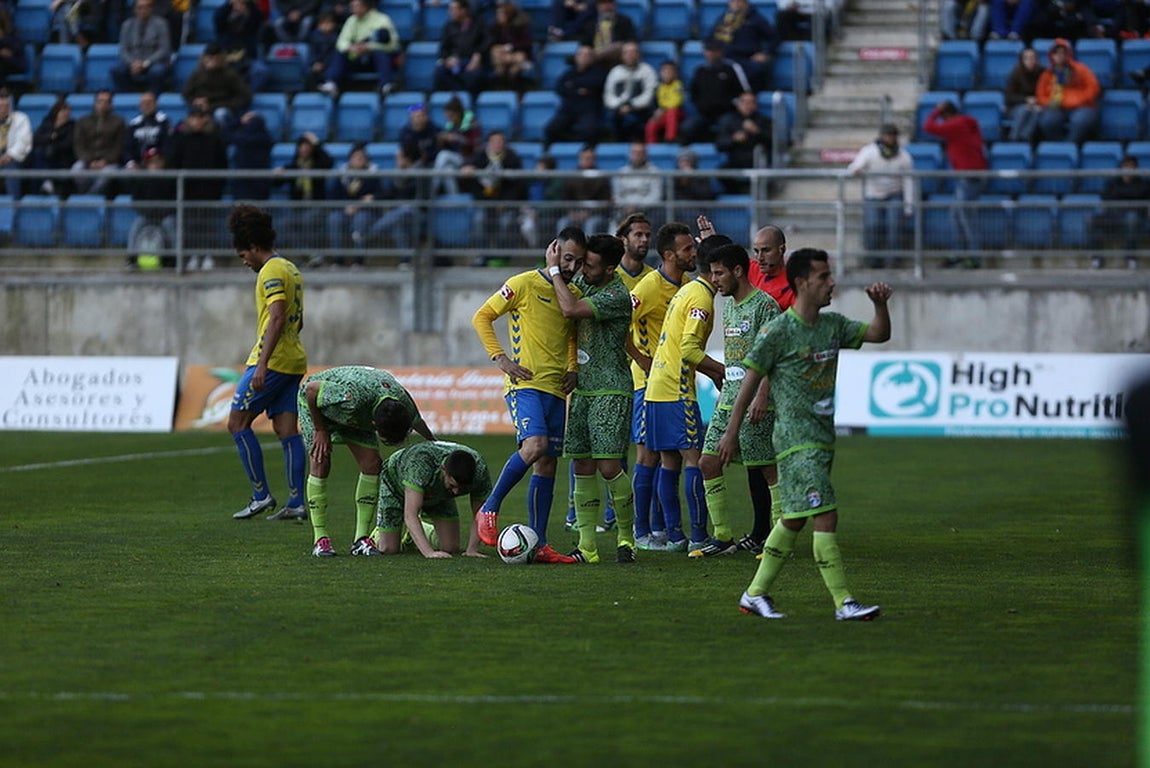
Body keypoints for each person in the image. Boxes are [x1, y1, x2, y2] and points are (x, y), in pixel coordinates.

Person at [718, 248, 891, 622]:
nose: (831, 283)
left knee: (794, 519)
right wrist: (733, 430)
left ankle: (754, 594)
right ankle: (844, 602)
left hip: (821, 438)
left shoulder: (832, 326)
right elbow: (749, 380)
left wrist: (879, 305)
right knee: (826, 515)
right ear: (801, 283)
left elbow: (879, 333)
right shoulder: (778, 331)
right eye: (823, 277)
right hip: (796, 441)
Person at [470, 227, 588, 564]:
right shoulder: (522, 284)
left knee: (547, 463)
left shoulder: (572, 292)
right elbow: (482, 316)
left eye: (578, 262)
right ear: (553, 251)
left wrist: (572, 367)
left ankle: (539, 545)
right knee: (534, 446)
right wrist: (501, 357)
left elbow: (568, 336)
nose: (572, 266)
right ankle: (489, 508)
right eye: (567, 258)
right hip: (524, 384)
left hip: (555, 388)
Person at [547, 234, 637, 563]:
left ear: (611, 268)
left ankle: (627, 539)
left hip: (611, 388)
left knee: (609, 465)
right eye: (582, 262)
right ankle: (587, 547)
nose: (582, 269)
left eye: (590, 264)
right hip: (583, 387)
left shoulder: (616, 294)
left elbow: (569, 309)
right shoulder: (588, 282)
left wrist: (554, 270)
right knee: (582, 464)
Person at [693, 241, 781, 557]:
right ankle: (723, 536)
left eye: (719, 273)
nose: (714, 280)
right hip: (728, 399)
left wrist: (763, 394)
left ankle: (778, 541)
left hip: (758, 400)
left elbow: (774, 355)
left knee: (766, 469)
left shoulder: (765, 306)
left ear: (738, 271)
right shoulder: (729, 305)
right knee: (707, 461)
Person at [644, 221, 726, 552]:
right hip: (677, 390)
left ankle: (674, 536)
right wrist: (721, 370)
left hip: (656, 388)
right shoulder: (701, 297)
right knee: (696, 462)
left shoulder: (687, 289)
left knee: (669, 463)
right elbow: (690, 350)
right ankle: (698, 536)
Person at [297, 366, 436, 557]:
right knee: (321, 462)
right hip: (319, 408)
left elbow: (416, 421)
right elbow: (311, 389)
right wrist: (320, 429)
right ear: (374, 425)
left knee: (372, 464)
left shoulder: (401, 401)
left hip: (358, 413)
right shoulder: (351, 397)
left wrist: (434, 443)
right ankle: (320, 539)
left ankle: (361, 540)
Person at [227, 205, 308, 524]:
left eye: (242, 254)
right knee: (286, 429)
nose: (244, 260)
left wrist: (261, 365)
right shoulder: (291, 267)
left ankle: (261, 495)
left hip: (272, 361)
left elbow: (276, 315)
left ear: (253, 246)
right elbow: (297, 320)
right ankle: (296, 502)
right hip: (293, 359)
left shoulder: (270, 271)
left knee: (237, 423)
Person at [628, 220, 695, 550]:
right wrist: (640, 359)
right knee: (648, 457)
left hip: (674, 383)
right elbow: (620, 322)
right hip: (647, 385)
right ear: (669, 254)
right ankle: (641, 532)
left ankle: (662, 529)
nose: (692, 253)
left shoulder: (684, 285)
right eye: (687, 249)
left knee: (670, 456)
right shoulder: (649, 287)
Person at [369, 440, 491, 558]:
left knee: (450, 547)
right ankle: (378, 533)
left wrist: (472, 549)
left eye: (462, 487)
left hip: (438, 493)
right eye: (453, 485)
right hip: (397, 485)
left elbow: (480, 513)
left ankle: (416, 533)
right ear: (444, 469)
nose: (456, 492)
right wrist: (429, 553)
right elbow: (410, 514)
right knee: (388, 549)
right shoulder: (420, 464)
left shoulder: (479, 471)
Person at [922, 99, 986, 266]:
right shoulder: (966, 122)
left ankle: (975, 257)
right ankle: (958, 253)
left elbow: (928, 126)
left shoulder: (955, 124)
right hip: (969, 174)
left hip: (969, 175)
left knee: (966, 216)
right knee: (956, 214)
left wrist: (936, 111)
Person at [166, 106, 229, 269]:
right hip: (188, 190)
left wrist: (217, 186)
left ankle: (207, 254)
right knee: (190, 223)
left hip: (209, 189)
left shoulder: (214, 138)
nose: (197, 121)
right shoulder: (181, 138)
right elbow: (174, 161)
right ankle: (193, 254)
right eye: (194, 117)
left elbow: (222, 163)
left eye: (201, 117)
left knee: (208, 223)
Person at [845, 123, 914, 268]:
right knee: (872, 225)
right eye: (887, 135)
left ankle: (893, 260)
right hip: (873, 195)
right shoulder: (869, 152)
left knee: (894, 225)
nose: (889, 139)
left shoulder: (904, 156)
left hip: (894, 194)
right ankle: (872, 260)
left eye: (892, 136)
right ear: (881, 137)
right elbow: (853, 167)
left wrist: (908, 206)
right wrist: (856, 170)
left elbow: (908, 182)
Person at [318, 0, 401, 97]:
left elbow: (393, 44)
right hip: (356, 57)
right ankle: (331, 83)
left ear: (366, 6)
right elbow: (341, 42)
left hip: (373, 60)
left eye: (356, 6)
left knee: (380, 53)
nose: (353, 9)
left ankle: (386, 85)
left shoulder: (382, 20)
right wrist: (351, 47)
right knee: (340, 52)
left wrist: (369, 47)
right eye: (352, 6)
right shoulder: (351, 20)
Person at [460, 130, 526, 250]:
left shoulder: (513, 158)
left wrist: (505, 203)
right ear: (488, 144)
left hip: (506, 203)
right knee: (479, 219)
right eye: (494, 141)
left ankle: (502, 253)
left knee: (506, 221)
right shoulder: (479, 157)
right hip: (484, 202)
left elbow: (518, 186)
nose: (497, 144)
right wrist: (466, 168)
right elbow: (469, 179)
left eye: (500, 141)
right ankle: (482, 254)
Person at [681, 37, 751, 145]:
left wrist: (734, 104)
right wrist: (700, 105)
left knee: (727, 125)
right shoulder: (700, 70)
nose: (710, 54)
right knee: (688, 127)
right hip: (704, 114)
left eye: (713, 51)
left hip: (727, 112)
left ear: (720, 52)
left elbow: (745, 92)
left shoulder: (731, 68)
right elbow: (693, 92)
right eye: (708, 51)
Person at [277, 132, 333, 262]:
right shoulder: (294, 166)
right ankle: (307, 253)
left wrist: (317, 143)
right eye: (302, 147)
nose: (304, 150)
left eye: (307, 147)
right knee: (285, 223)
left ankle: (312, 255)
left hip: (316, 206)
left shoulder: (318, 164)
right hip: (297, 207)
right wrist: (278, 173)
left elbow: (329, 162)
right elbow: (277, 183)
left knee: (308, 220)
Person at [325, 141, 383, 267]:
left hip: (367, 211)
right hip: (344, 210)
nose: (359, 160)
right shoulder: (343, 173)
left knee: (360, 220)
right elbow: (334, 195)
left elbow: (380, 194)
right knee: (334, 219)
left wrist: (364, 202)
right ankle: (337, 260)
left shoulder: (373, 172)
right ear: (350, 158)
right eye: (356, 157)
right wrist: (345, 206)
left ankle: (358, 260)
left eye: (362, 157)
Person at [1034, 38, 1101, 145]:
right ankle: (1058, 147)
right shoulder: (1047, 74)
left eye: (1062, 53)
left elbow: (1094, 88)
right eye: (1056, 53)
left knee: (1080, 121)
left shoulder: (1081, 69)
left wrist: (1080, 100)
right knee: (1047, 121)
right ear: (1052, 55)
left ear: (1068, 54)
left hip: (1082, 106)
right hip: (1057, 107)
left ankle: (1069, 146)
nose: (1059, 56)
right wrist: (1049, 103)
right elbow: (1041, 95)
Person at [1090, 154, 1148, 270]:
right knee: (1091, 219)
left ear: (1136, 168)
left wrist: (1122, 195)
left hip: (1135, 217)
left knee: (1131, 218)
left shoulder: (1143, 183)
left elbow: (1141, 199)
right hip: (1114, 215)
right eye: (1126, 166)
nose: (1128, 169)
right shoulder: (1113, 183)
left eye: (1131, 166)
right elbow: (1106, 199)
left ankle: (1131, 259)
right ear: (1121, 167)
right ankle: (1097, 259)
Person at [543, 44, 607, 148]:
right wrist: (578, 91)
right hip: (568, 110)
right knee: (550, 129)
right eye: (581, 54)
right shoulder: (569, 73)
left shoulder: (599, 73)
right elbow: (560, 88)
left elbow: (594, 85)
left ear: (592, 58)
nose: (584, 57)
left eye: (588, 55)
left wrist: (572, 88)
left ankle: (585, 153)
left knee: (590, 131)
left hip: (588, 109)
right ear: (576, 57)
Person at [708, 0, 779, 90]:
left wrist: (766, 53)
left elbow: (774, 38)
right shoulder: (723, 19)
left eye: (739, 1)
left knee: (756, 71)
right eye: (733, 1)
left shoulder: (756, 19)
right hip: (725, 58)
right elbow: (711, 38)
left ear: (746, 3)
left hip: (746, 59)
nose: (736, 4)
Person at [182, 43, 253, 131]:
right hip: (202, 107)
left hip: (222, 106)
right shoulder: (198, 73)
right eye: (209, 57)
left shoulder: (230, 74)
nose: (211, 60)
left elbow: (245, 97)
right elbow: (186, 93)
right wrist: (195, 100)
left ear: (221, 58)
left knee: (220, 114)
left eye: (214, 58)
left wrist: (215, 106)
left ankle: (223, 139)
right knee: (193, 117)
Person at [127, 147, 177, 269]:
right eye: (151, 162)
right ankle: (132, 259)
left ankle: (174, 259)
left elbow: (174, 201)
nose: (154, 164)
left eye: (157, 161)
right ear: (147, 164)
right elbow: (136, 201)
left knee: (170, 224)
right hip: (147, 215)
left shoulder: (170, 178)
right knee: (137, 225)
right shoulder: (141, 179)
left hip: (165, 216)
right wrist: (148, 212)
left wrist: (161, 213)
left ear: (162, 162)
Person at [715, 90, 772, 192]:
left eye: (751, 102)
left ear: (755, 105)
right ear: (738, 104)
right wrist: (734, 139)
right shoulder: (729, 120)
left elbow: (773, 142)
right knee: (721, 171)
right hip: (737, 160)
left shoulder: (764, 120)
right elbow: (720, 145)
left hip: (757, 161)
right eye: (744, 102)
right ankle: (737, 194)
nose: (747, 106)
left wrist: (756, 131)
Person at [71, 90, 126, 197]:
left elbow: (119, 146)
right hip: (87, 160)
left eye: (106, 102)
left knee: (108, 173)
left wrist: (105, 161)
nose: (103, 105)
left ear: (110, 105)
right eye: (100, 101)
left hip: (109, 162)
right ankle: (86, 196)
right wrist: (89, 161)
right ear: (95, 103)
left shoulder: (119, 122)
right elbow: (79, 145)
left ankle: (89, 197)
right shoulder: (83, 121)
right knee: (76, 169)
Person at [110, 0, 172, 94]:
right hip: (133, 62)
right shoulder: (127, 25)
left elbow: (164, 49)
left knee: (157, 71)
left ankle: (153, 96)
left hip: (153, 61)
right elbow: (123, 49)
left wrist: (144, 63)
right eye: (140, 8)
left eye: (146, 7)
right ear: (135, 10)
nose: (143, 10)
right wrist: (133, 63)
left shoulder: (161, 24)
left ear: (151, 9)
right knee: (116, 70)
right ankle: (127, 95)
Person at [433, 0, 490, 96]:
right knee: (439, 72)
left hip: (472, 61)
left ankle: (468, 100)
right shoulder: (449, 26)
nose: (450, 12)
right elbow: (443, 49)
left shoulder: (478, 23)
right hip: (455, 61)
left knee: (474, 77)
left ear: (463, 10)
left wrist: (478, 54)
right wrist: (448, 59)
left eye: (453, 9)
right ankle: (460, 96)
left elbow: (487, 41)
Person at [602, 41, 657, 142]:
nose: (630, 55)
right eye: (627, 52)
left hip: (640, 109)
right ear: (622, 56)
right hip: (618, 109)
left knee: (634, 120)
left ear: (639, 54)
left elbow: (649, 94)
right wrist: (619, 106)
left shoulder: (647, 70)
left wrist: (631, 105)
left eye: (633, 52)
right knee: (612, 118)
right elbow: (608, 94)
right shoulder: (615, 71)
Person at [213, 0, 270, 92]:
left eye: (241, 4)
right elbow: (219, 17)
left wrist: (249, 3)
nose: (238, 7)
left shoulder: (250, 25)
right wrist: (230, 4)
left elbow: (257, 16)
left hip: (246, 62)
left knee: (261, 71)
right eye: (236, 4)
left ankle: (246, 95)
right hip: (226, 62)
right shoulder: (222, 27)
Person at [555, 144, 611, 237]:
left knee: (591, 224)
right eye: (585, 158)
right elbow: (565, 199)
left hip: (595, 214)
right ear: (579, 158)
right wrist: (571, 213)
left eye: (590, 158)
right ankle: (562, 250)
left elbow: (605, 201)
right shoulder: (571, 176)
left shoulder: (602, 177)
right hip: (574, 213)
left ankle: (589, 251)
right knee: (563, 223)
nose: (588, 160)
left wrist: (588, 214)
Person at [431, 94, 482, 196]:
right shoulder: (450, 124)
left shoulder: (471, 122)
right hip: (455, 159)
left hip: (468, 159)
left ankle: (432, 188)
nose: (449, 118)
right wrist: (442, 140)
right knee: (447, 169)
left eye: (451, 116)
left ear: (458, 113)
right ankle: (454, 197)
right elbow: (445, 146)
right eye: (447, 116)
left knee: (443, 155)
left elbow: (475, 144)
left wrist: (457, 138)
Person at [224, 109, 274, 201]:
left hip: (243, 184)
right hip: (261, 184)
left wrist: (240, 121)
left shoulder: (243, 139)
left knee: (243, 213)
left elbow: (225, 132)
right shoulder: (267, 139)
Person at [30, 97, 75, 198]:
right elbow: (35, 139)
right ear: (56, 112)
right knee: (38, 153)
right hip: (44, 158)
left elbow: (67, 145)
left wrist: (52, 142)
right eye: (63, 111)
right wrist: (52, 136)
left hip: (62, 159)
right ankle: (39, 189)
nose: (66, 114)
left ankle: (46, 184)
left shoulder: (72, 126)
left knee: (48, 152)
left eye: (68, 111)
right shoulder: (47, 123)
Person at [611, 141, 662, 226]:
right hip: (624, 211)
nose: (637, 155)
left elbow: (655, 196)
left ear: (646, 155)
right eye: (634, 152)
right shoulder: (621, 172)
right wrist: (626, 207)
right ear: (629, 154)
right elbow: (616, 196)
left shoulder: (654, 172)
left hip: (647, 212)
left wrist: (637, 207)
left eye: (640, 153)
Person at [488, 0, 535, 91]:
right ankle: (500, 90)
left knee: (515, 66)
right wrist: (503, 51)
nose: (498, 16)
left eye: (500, 14)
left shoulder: (520, 26)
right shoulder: (496, 28)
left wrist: (510, 47)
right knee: (495, 52)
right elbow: (492, 43)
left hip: (520, 56)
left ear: (507, 15)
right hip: (503, 57)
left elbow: (527, 44)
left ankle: (515, 92)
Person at [747, 224, 795, 309]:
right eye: (756, 251)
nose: (760, 257)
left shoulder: (793, 287)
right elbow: (723, 251)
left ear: (782, 250)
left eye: (766, 250)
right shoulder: (754, 269)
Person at [579, 0, 637, 67]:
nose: (606, 6)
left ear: (614, 5)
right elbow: (585, 44)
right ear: (598, 6)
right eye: (603, 3)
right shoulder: (590, 24)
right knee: (584, 52)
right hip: (595, 62)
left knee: (629, 48)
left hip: (618, 60)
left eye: (609, 3)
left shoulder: (624, 21)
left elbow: (632, 40)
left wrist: (611, 49)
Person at [123, 91, 172, 169]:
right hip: (137, 163)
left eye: (150, 102)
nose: (147, 105)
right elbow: (127, 147)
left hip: (157, 162)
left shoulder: (164, 122)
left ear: (156, 104)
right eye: (144, 103)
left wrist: (158, 159)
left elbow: (167, 145)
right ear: (140, 106)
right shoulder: (134, 124)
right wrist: (131, 162)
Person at [1005, 47, 1042, 143]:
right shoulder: (1015, 74)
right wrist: (1026, 100)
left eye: (1033, 58)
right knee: (1025, 109)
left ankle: (1025, 139)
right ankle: (1013, 138)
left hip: (1036, 105)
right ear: (1022, 60)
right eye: (1027, 58)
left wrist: (1037, 101)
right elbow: (1009, 97)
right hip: (1015, 107)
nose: (1030, 61)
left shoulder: (1042, 73)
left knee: (1036, 111)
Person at [644, 59, 685, 145]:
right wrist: (656, 113)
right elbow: (655, 103)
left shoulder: (678, 85)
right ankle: (652, 145)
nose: (667, 73)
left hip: (677, 113)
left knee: (672, 113)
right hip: (662, 114)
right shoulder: (659, 87)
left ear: (675, 74)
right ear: (660, 73)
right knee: (651, 124)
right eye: (665, 71)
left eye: (670, 71)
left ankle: (670, 139)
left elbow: (676, 102)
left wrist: (663, 109)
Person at [0, 89, 31, 200]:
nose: (4, 109)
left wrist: (9, 155)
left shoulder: (21, 119)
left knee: (11, 168)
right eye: (1, 106)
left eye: (7, 105)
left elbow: (24, 142)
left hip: (15, 158)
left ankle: (14, 206)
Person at [0, 8, 28, 90]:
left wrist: (2, 39)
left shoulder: (11, 31)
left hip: (14, 62)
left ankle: (2, 93)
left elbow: (16, 48)